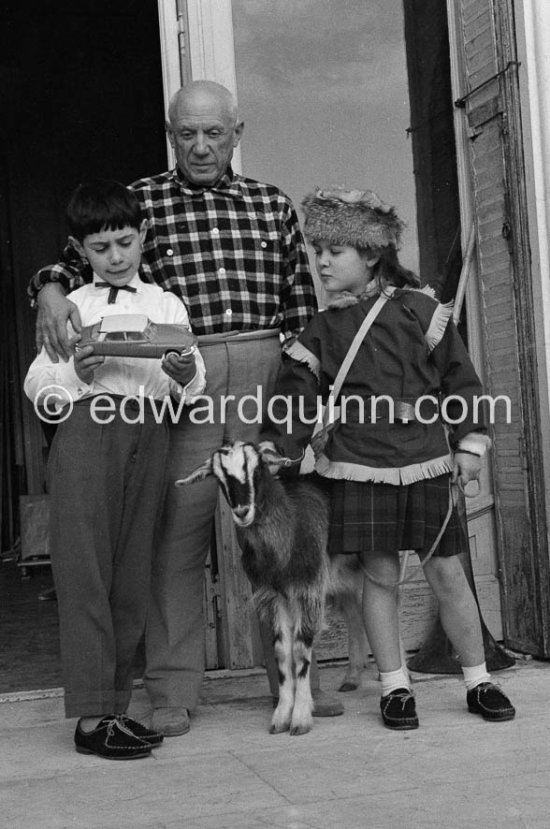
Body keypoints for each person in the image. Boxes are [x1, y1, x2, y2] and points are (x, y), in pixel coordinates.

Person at [27, 81, 344, 736]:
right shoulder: (141, 202)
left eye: (214, 133)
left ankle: (292, 681)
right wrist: (49, 290)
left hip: (262, 367)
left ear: (236, 134)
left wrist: (303, 399)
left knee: (276, 527)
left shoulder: (270, 204)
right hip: (183, 378)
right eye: (187, 133)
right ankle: (171, 689)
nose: (201, 146)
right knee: (175, 532)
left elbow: (298, 310)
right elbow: (74, 260)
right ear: (171, 135)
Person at [261, 185, 516, 730]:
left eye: (335, 251)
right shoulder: (322, 329)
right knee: (379, 576)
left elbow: (460, 381)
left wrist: (469, 444)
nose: (321, 262)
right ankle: (395, 687)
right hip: (359, 465)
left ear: (372, 254)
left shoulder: (420, 310)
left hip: (426, 459)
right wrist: (279, 447)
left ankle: (479, 680)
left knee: (447, 571)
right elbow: (294, 397)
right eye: (317, 250)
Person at [24, 180, 206, 758]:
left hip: (150, 432)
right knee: (86, 575)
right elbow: (38, 388)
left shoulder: (166, 304)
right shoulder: (71, 306)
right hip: (86, 432)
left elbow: (193, 380)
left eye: (125, 242)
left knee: (130, 579)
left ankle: (114, 710)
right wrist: (75, 373)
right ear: (81, 250)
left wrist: (183, 374)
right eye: (101, 248)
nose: (117, 256)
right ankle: (89, 719)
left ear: (143, 235)